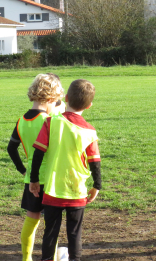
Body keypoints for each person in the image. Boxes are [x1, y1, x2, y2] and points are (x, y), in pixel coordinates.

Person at [29, 79, 101, 261]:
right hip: (77, 190)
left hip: (53, 189)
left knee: (50, 232)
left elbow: (38, 153)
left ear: (66, 98)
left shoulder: (51, 123)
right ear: (90, 105)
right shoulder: (90, 131)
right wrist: (97, 185)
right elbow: (95, 162)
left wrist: (34, 179)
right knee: (75, 233)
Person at [7, 74, 64, 261]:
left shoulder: (21, 120)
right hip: (50, 179)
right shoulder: (50, 120)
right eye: (55, 101)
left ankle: (26, 258)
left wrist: (23, 170)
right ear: (50, 98)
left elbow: (11, 148)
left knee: (31, 220)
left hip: (31, 179)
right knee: (51, 225)